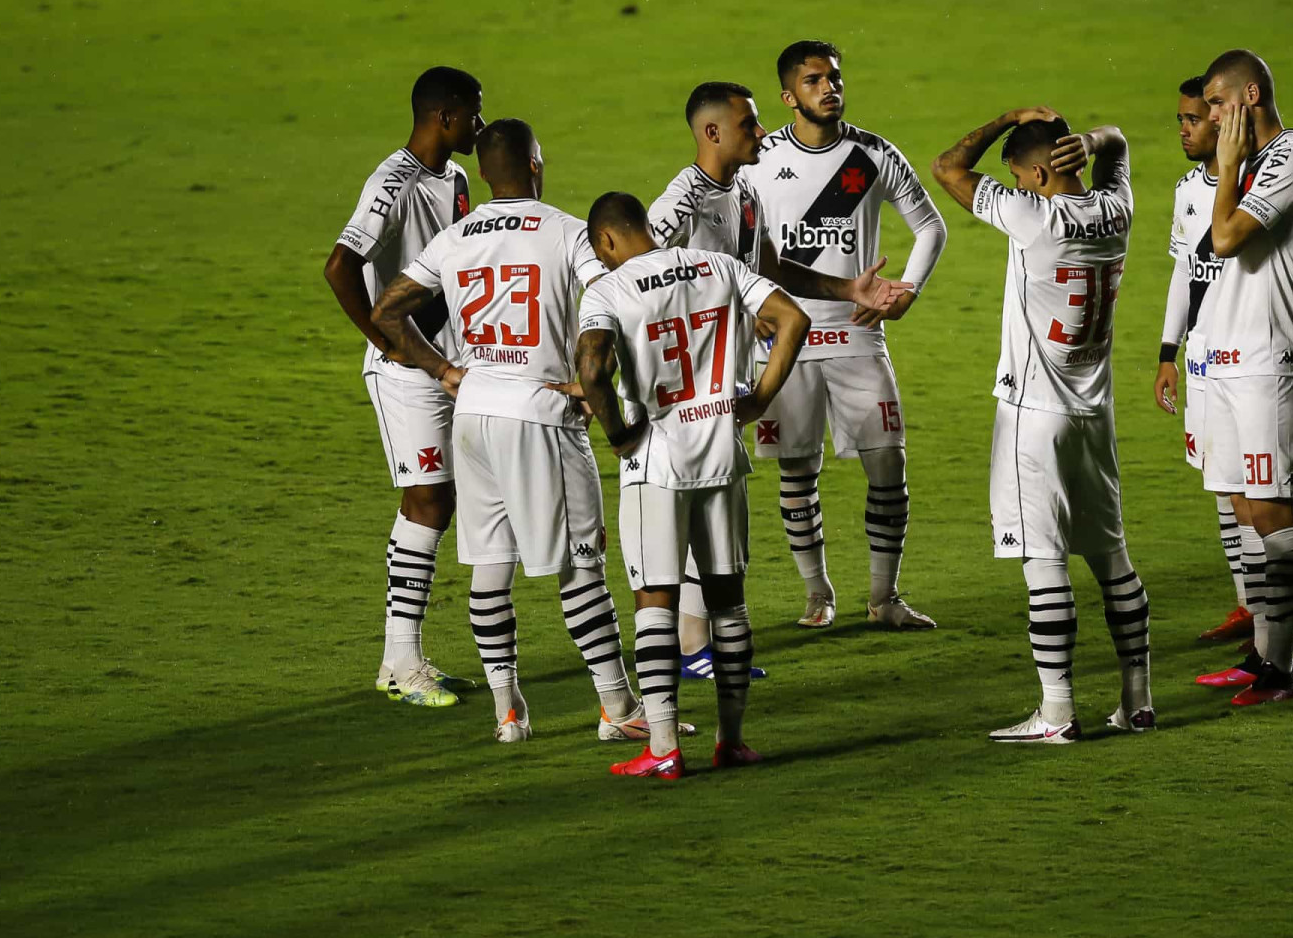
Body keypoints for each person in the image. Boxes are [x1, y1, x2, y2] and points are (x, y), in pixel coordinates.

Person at [372, 119, 684, 744]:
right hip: (541, 414)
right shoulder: (569, 233)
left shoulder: (454, 238)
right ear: (536, 165)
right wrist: (597, 386)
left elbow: (385, 312)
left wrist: (442, 369)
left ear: (485, 173)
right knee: (581, 566)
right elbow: (611, 304)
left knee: (491, 566)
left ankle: (507, 710)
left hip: (474, 414)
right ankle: (617, 707)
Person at [648, 80, 911, 673]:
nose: (762, 134)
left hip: (727, 376)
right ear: (712, 133)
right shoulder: (681, 202)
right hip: (689, 382)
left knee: (719, 507)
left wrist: (848, 288)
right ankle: (690, 647)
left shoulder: (742, 192)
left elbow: (768, 267)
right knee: (696, 507)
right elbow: (628, 269)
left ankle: (701, 644)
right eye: (749, 125)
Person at [933, 107, 1153, 743]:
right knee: (1112, 557)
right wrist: (1089, 139)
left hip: (1034, 416)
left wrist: (1004, 117)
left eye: (1018, 175)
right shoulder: (1118, 205)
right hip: (1094, 414)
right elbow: (1118, 141)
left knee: (1044, 561)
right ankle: (1137, 701)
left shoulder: (1035, 217)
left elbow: (949, 167)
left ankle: (1057, 712)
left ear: (1032, 175)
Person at [575, 191, 811, 778]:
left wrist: (620, 434)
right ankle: (732, 740)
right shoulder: (721, 267)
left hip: (656, 464)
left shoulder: (609, 289)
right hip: (723, 453)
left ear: (606, 240)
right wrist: (756, 399)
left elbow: (591, 367)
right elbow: (793, 320)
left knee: (656, 601)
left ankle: (662, 749)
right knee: (728, 602)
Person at [747, 42, 947, 630]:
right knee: (796, 470)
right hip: (787, 337)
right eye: (813, 81)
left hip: (857, 333)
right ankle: (817, 594)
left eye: (834, 78)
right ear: (789, 97)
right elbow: (734, 239)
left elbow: (930, 226)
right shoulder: (758, 159)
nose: (829, 88)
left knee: (889, 464)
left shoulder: (872, 153)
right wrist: (751, 302)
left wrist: (907, 289)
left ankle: (884, 597)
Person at [324, 66, 482, 708]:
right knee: (425, 502)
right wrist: (387, 342)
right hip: (406, 372)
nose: (480, 123)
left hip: (448, 363)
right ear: (444, 116)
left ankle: (407, 656)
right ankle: (398, 662)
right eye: (473, 112)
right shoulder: (393, 181)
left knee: (445, 502)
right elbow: (340, 267)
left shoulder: (458, 178)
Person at [1189, 50, 1293, 706]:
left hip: (1271, 361)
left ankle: (1281, 670)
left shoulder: (1290, 160)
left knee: (1272, 510)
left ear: (1248, 96)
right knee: (1245, 507)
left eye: (1217, 103)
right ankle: (1260, 653)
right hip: (1228, 361)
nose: (1210, 115)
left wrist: (1223, 170)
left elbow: (1225, 239)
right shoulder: (1249, 164)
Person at [1156, 75, 1255, 643]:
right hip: (1200, 362)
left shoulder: (1258, 184)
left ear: (1221, 121)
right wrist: (1169, 352)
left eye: (1193, 119)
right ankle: (1246, 604)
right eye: (1182, 120)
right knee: (1221, 484)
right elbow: (1184, 274)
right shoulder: (1187, 191)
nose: (1183, 130)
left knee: (1253, 493)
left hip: (1246, 358)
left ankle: (1268, 613)